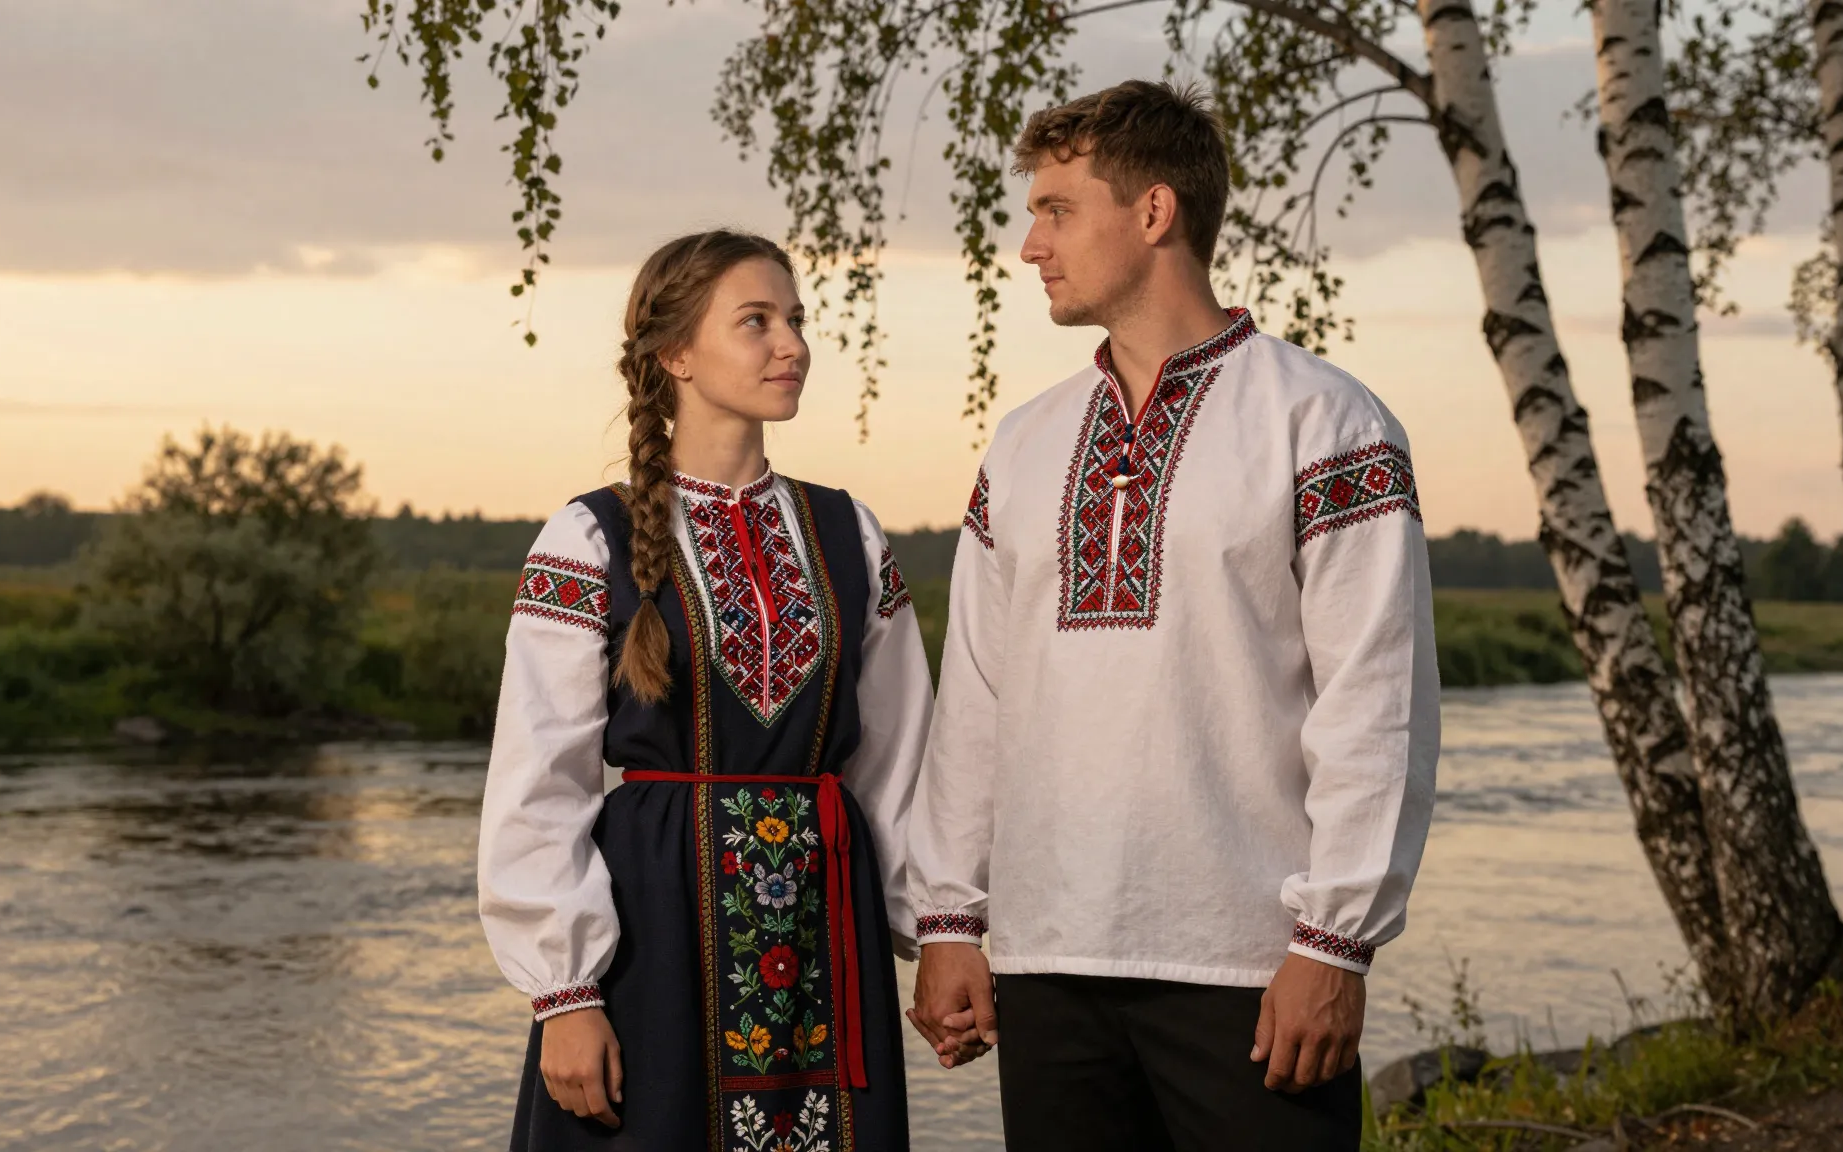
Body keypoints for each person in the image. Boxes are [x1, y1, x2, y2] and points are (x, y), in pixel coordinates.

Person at [906, 80, 1441, 1150]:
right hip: (1046, 960)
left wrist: (1332, 944)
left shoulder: (1324, 421)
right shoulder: (1020, 445)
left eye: (1056, 208)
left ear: (1152, 214)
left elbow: (1374, 704)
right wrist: (949, 917)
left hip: (1247, 970)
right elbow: (974, 694)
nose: (1029, 245)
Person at [478, 229, 932, 1151]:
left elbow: (903, 761)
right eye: (757, 322)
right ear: (676, 354)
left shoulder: (850, 534)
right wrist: (563, 992)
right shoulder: (588, 540)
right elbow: (539, 781)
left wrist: (942, 927)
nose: (793, 344)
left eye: (797, 321)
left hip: (820, 934)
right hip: (654, 935)